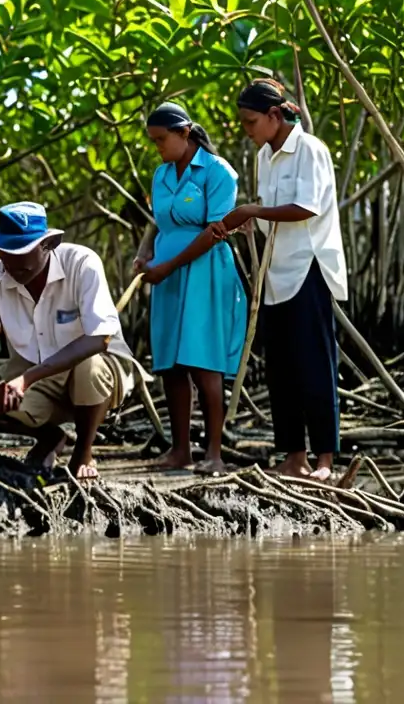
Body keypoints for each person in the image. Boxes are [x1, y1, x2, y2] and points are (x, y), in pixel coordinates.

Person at [0, 202, 139, 479]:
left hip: (99, 378)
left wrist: (27, 378)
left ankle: (83, 451)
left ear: (48, 244)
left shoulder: (82, 263)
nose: (14, 264)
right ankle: (50, 439)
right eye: (6, 254)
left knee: (89, 368)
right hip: (40, 378)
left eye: (23, 252)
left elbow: (101, 338)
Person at [214, 79, 348, 482]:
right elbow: (271, 213)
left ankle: (325, 460)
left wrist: (250, 209)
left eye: (251, 121)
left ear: (275, 115)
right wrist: (246, 223)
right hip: (274, 272)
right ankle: (294, 456)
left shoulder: (310, 150)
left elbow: (306, 208)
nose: (247, 130)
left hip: (309, 267)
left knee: (315, 365)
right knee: (282, 369)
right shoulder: (264, 157)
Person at [134, 103, 246, 473]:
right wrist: (144, 254)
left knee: (203, 360)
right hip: (166, 273)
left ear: (184, 133)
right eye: (152, 142)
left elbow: (216, 231)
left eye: (162, 140)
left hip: (204, 271)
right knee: (171, 364)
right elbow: (158, 221)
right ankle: (179, 450)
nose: (158, 147)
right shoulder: (161, 173)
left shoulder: (218, 173)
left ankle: (213, 453)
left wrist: (168, 265)